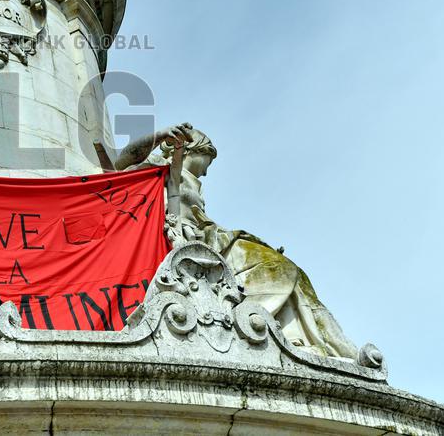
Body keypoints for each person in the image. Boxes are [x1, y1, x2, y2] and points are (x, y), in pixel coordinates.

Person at [122, 127, 360, 360]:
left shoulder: (191, 182)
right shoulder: (159, 169)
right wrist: (160, 136)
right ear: (193, 150)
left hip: (210, 241)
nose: (205, 172)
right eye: (207, 161)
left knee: (290, 271)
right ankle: (264, 327)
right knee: (278, 269)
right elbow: (118, 164)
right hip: (186, 248)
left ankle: (309, 341)